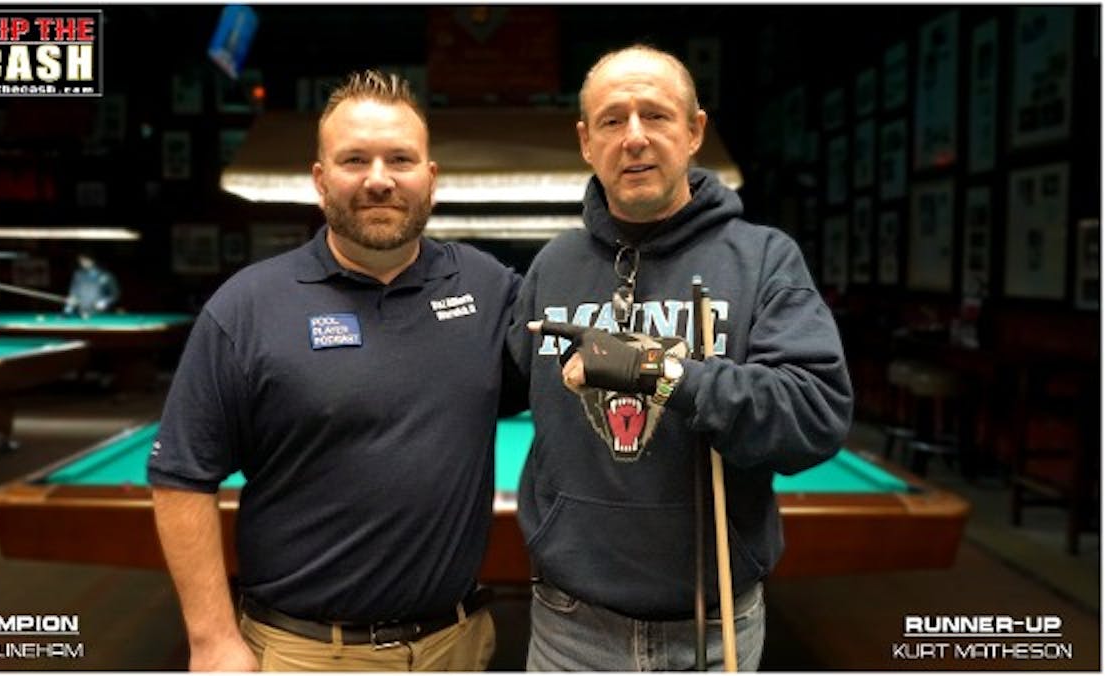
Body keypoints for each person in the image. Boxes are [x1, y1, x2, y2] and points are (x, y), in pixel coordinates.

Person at [149, 70, 521, 671]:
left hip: (457, 646)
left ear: (430, 178)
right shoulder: (246, 307)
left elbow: (568, 359)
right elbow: (180, 478)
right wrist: (212, 638)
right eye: (354, 160)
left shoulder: (487, 286)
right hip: (308, 653)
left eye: (399, 159)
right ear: (321, 181)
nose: (379, 179)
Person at [507, 45, 854, 671]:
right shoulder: (553, 266)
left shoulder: (763, 260)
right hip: (568, 624)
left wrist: (660, 373)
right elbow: (490, 386)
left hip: (712, 624)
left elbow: (815, 416)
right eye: (613, 120)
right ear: (586, 142)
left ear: (694, 131)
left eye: (656, 115)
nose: (635, 137)